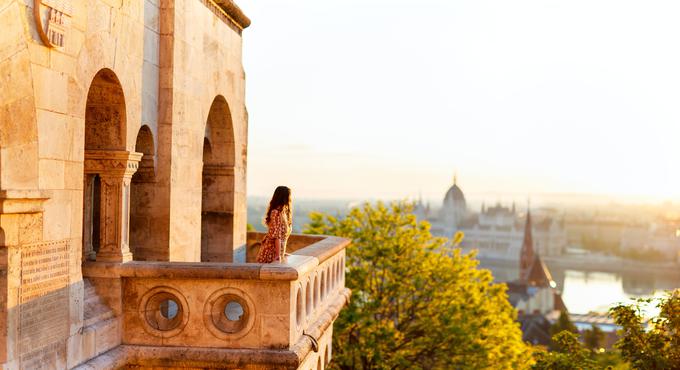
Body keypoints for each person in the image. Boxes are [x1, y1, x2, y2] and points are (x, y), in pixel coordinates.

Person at [256, 186, 293, 263]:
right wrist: (277, 255)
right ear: (284, 197)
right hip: (271, 253)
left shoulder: (283, 213)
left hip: (277, 252)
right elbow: (277, 236)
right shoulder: (276, 212)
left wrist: (282, 253)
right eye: (289, 196)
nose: (290, 198)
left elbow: (282, 237)